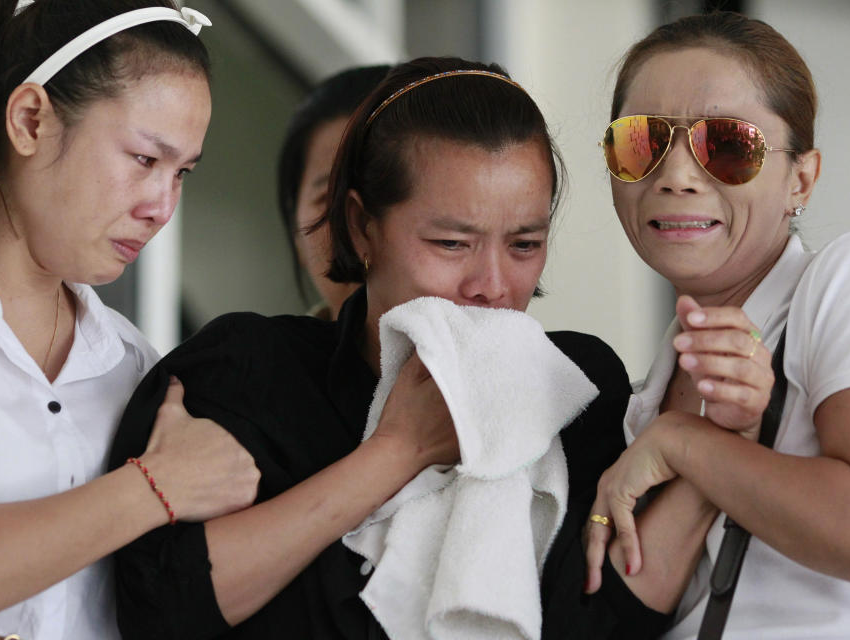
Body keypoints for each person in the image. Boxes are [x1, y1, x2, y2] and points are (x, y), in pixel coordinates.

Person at [108, 56, 710, 639]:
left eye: (524, 245)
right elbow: (157, 609)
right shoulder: (250, 370)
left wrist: (721, 431)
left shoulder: (573, 386)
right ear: (360, 226)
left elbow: (606, 618)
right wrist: (397, 453)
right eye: (451, 243)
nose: (491, 286)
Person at [585, 11, 850, 638]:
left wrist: (688, 443)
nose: (676, 177)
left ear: (802, 178)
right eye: (641, 143)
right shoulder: (652, 385)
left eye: (728, 145)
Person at [0, 1, 260, 638]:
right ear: (31, 120)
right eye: (145, 160)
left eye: (183, 174)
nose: (162, 207)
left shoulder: (135, 365)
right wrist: (157, 486)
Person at [277, 64, 390, 320]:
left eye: (387, 192)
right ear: (296, 235)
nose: (361, 227)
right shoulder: (253, 359)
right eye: (332, 201)